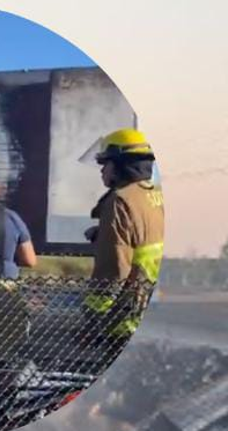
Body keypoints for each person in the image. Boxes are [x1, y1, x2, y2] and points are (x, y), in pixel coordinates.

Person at [82, 128, 165, 339]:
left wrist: (94, 311)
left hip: (124, 321)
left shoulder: (120, 200)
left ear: (121, 166)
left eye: (106, 164)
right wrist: (104, 233)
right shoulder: (156, 195)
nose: (102, 171)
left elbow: (114, 266)